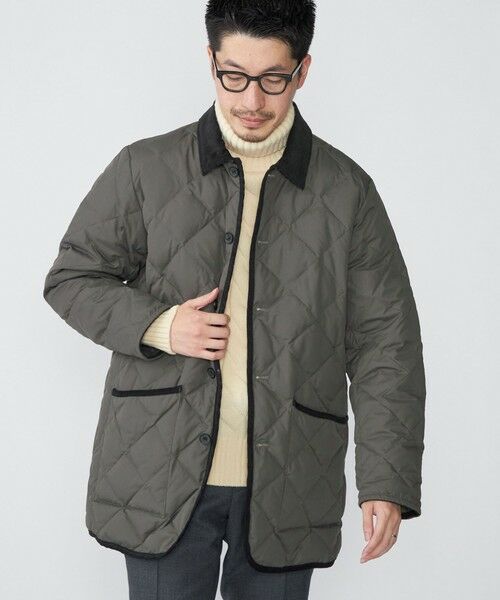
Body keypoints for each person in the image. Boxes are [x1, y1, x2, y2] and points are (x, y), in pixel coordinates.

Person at [43, 1, 426, 598]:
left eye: (273, 79)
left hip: (290, 475)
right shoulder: (146, 167)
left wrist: (386, 479)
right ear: (211, 61)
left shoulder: (348, 192)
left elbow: (386, 342)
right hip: (160, 471)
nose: (252, 100)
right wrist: (161, 325)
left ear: (302, 71)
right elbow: (71, 277)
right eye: (234, 76)